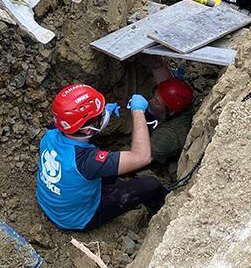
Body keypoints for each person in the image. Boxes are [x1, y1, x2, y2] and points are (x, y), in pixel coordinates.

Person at [35, 84, 166, 231]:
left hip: (50, 201)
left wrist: (101, 116)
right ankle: (165, 216)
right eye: (101, 114)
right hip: (77, 218)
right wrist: (138, 112)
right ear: (87, 130)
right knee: (151, 185)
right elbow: (142, 157)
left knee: (111, 165)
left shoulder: (51, 133)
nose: (104, 113)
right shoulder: (87, 161)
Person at [143, 58, 195, 165]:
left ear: (171, 112)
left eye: (156, 102)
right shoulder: (178, 104)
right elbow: (158, 67)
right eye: (154, 96)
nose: (150, 101)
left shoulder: (167, 136)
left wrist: (137, 114)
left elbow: (138, 158)